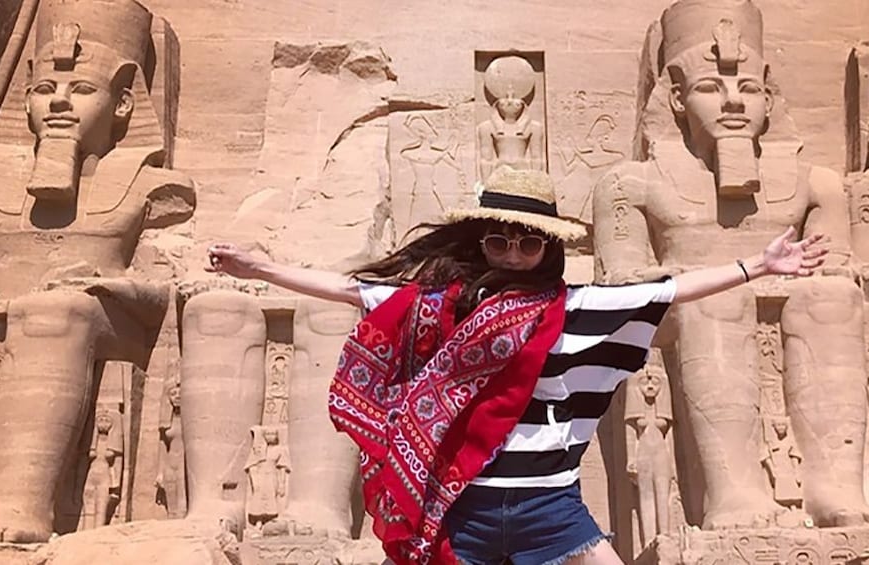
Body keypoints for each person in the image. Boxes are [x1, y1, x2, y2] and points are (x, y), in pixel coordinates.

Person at [206, 166, 827, 565]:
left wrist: (759, 267)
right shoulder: (442, 307)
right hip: (464, 506)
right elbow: (351, 292)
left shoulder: (576, 308)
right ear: (480, 243)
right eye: (498, 241)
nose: (512, 253)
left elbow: (668, 290)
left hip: (550, 506)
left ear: (547, 247)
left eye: (528, 242)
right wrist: (260, 268)